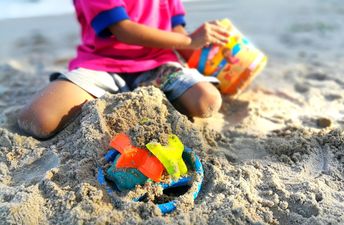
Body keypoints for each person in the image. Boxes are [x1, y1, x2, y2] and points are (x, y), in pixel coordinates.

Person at [18, 0, 230, 139]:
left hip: (157, 64)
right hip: (102, 65)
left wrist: (209, 49)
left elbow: (177, 32)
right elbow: (122, 29)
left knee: (207, 102)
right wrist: (189, 40)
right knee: (38, 120)